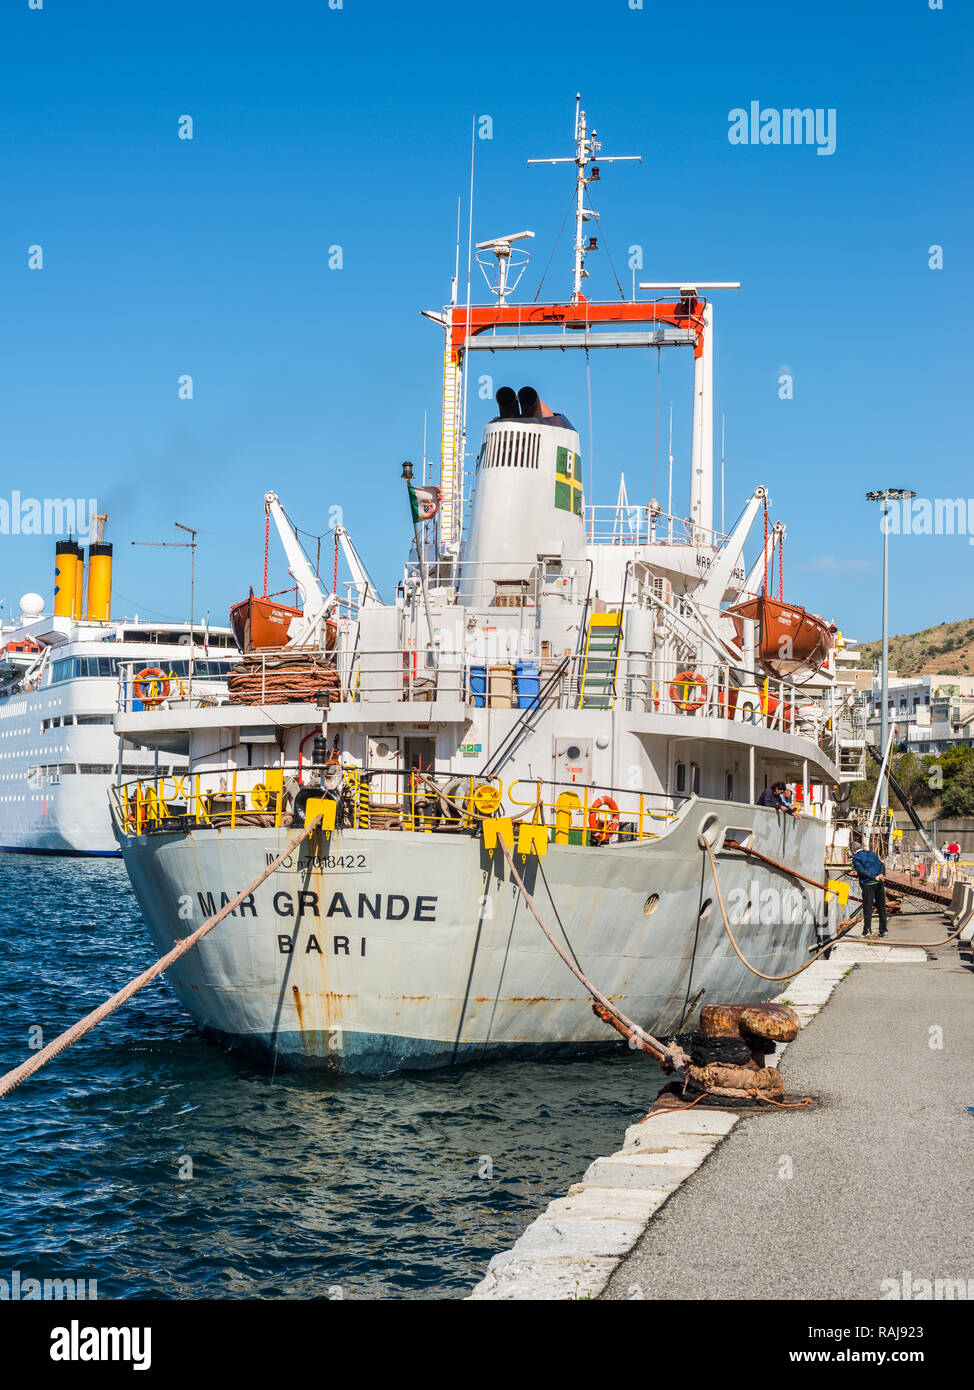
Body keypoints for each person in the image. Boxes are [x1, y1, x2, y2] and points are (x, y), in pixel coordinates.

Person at [850, 838, 888, 938]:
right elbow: (881, 864)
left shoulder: (856, 858)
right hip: (879, 883)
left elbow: (861, 871)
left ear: (853, 851)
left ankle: (866, 931)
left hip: (868, 885)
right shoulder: (872, 853)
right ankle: (883, 930)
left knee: (868, 908)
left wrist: (873, 877)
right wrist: (881, 875)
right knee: (881, 907)